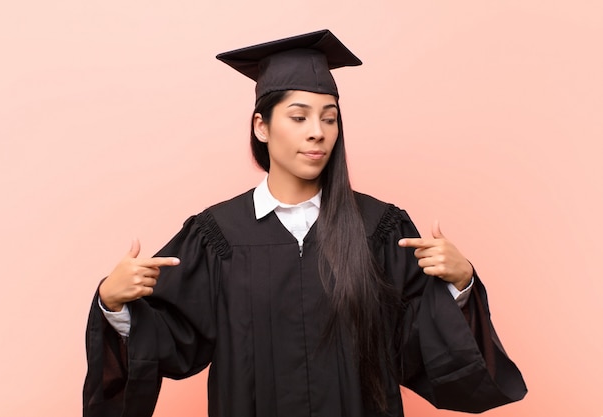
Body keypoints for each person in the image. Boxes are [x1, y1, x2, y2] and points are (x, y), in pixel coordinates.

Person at [83, 29, 527, 417]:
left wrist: (460, 284)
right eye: (299, 117)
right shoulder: (216, 236)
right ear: (262, 126)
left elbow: (414, 347)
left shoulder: (379, 229)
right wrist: (113, 303)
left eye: (329, 118)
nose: (317, 131)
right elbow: (175, 343)